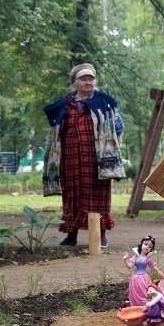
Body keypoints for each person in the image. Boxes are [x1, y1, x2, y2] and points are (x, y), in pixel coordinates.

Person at [43, 63, 124, 248]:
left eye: (90, 79)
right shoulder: (64, 105)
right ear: (75, 82)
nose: (88, 82)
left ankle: (100, 236)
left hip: (97, 160)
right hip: (70, 158)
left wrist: (110, 149)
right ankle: (71, 236)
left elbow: (118, 127)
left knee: (98, 195)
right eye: (83, 79)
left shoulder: (105, 102)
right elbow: (55, 133)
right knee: (72, 196)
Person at [123, 235, 164, 309]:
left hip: (144, 279)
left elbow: (156, 270)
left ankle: (146, 307)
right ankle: (135, 308)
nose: (147, 247)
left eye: (149, 247)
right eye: (145, 244)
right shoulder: (135, 256)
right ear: (141, 244)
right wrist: (125, 260)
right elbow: (130, 266)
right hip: (135, 279)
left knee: (145, 293)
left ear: (151, 249)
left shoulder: (148, 259)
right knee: (135, 293)